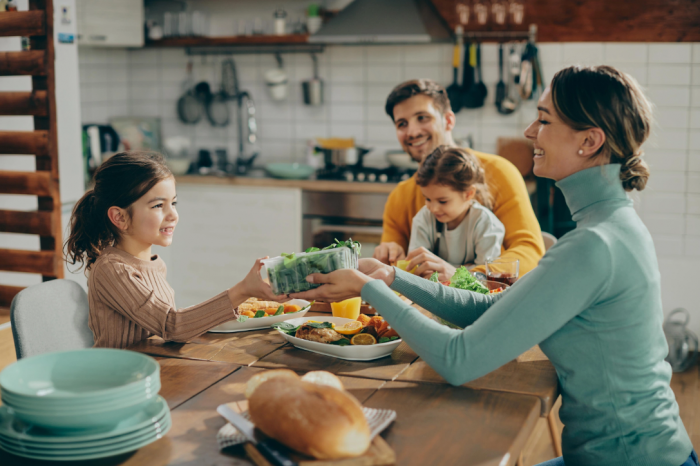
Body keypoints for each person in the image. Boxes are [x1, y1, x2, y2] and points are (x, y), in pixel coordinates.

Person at [293, 66, 696, 466]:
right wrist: (391, 277)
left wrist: (369, 289)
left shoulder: (593, 244)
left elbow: (458, 360)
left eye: (543, 119)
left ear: (589, 141)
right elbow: (495, 308)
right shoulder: (610, 227)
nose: (529, 132)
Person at [64, 151, 283, 349]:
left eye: (174, 203)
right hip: (119, 383)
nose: (173, 215)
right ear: (119, 217)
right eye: (158, 206)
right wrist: (242, 291)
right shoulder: (112, 271)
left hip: (156, 370)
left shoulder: (155, 265)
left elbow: (167, 328)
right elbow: (173, 326)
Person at [373, 79, 544, 280]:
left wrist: (465, 277)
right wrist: (389, 253)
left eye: (422, 117)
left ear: (448, 121)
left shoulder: (500, 172)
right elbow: (397, 271)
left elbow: (529, 251)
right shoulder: (399, 197)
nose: (412, 132)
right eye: (402, 124)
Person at [408, 145, 504, 273]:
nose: (433, 208)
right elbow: (417, 268)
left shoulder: (486, 224)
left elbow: (484, 278)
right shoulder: (423, 218)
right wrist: (468, 268)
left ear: (468, 194)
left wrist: (451, 272)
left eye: (443, 201)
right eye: (427, 199)